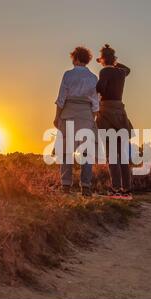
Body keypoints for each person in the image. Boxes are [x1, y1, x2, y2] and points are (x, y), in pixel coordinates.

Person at [54, 46, 99, 196]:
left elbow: (61, 99)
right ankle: (85, 186)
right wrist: (92, 119)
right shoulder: (93, 78)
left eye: (73, 57)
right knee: (86, 152)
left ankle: (65, 185)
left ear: (76, 58)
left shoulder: (68, 75)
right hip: (86, 114)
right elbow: (95, 103)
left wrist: (56, 117)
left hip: (68, 113)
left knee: (66, 151)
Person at [96, 44, 133, 199]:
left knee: (112, 154)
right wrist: (113, 61)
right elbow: (128, 69)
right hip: (120, 112)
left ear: (103, 59)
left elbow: (100, 88)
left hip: (107, 111)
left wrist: (105, 65)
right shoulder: (121, 72)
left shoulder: (104, 71)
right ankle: (127, 189)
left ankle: (115, 188)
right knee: (123, 154)